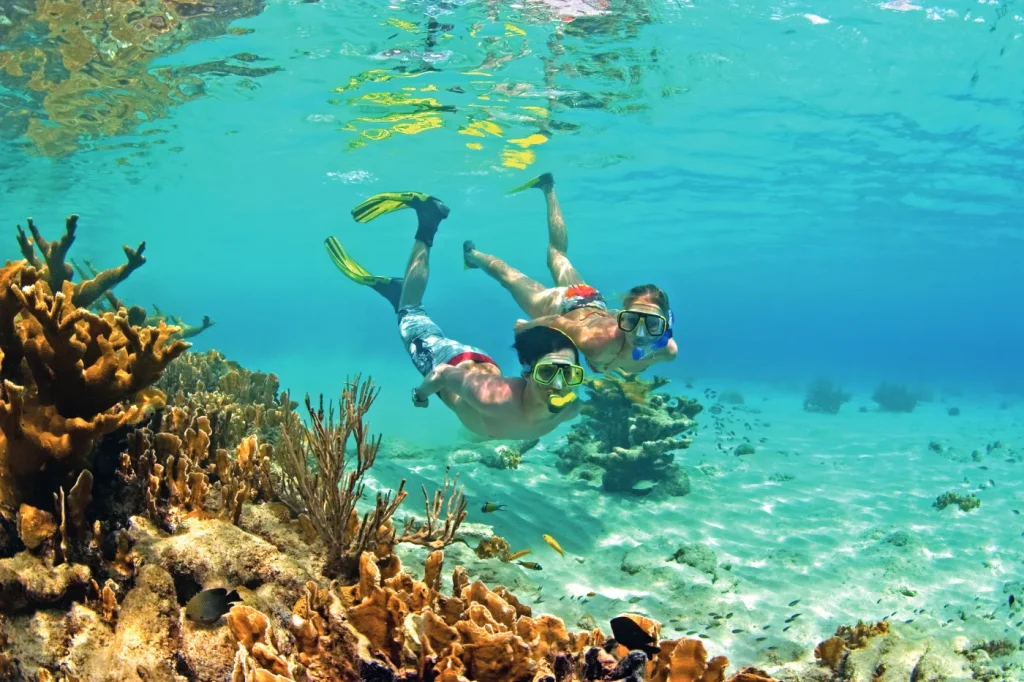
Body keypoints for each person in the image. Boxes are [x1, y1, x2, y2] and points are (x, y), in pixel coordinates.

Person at [324, 191, 584, 440]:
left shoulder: (570, 410)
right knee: (409, 312)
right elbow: (443, 374)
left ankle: (398, 292)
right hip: (453, 363)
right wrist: (421, 394)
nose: (559, 385)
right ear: (527, 373)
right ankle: (428, 221)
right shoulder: (490, 399)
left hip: (480, 366)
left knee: (411, 313)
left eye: (570, 374)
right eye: (548, 372)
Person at [462, 172, 677, 374]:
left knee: (557, 254)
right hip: (564, 306)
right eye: (632, 320)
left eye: (652, 324)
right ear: (621, 317)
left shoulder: (666, 350)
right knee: (509, 277)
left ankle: (548, 186)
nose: (640, 333)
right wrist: (525, 327)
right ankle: (472, 255)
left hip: (591, 298)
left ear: (666, 325)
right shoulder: (595, 343)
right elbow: (557, 321)